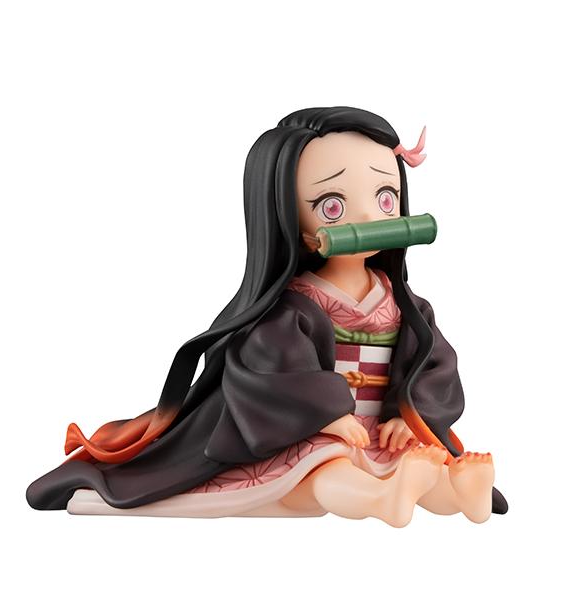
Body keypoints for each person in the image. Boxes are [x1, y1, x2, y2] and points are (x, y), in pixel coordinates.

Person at [26, 106, 508, 525]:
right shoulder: (294, 305)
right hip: (317, 432)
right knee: (325, 472)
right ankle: (383, 500)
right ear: (288, 218)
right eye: (333, 205)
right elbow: (268, 371)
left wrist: (410, 411)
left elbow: (434, 362)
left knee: (421, 457)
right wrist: (324, 415)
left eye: (385, 198)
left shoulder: (405, 305)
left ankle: (460, 494)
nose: (369, 218)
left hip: (381, 431)